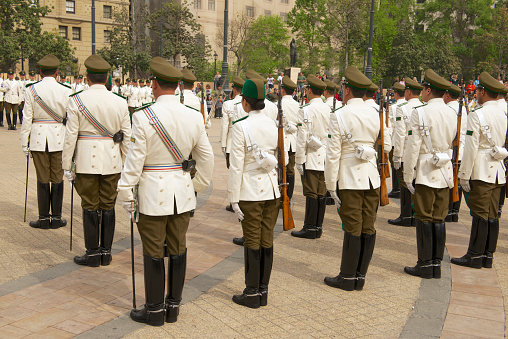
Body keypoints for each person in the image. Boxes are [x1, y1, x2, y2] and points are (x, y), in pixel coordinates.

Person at [117, 57, 214, 325]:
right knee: (179, 247)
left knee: (153, 250)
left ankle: (154, 310)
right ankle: (173, 307)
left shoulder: (143, 116)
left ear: (155, 84)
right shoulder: (193, 116)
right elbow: (206, 159)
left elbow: (134, 161)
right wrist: (196, 186)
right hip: (182, 193)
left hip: (152, 194)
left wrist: (125, 194)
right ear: (178, 86)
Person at [62, 54, 131, 268]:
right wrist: (129, 164)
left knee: (90, 205)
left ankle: (92, 254)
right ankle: (106, 253)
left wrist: (66, 165)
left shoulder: (76, 100)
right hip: (112, 159)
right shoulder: (120, 101)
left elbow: (70, 136)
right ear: (107, 77)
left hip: (86, 160)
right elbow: (127, 136)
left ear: (87, 77)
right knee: (108, 205)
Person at [323, 66, 380, 291]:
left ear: (346, 90)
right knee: (368, 226)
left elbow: (333, 153)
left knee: (352, 226)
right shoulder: (374, 112)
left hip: (350, 177)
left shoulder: (340, 115)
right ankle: (359, 276)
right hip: (370, 176)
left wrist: (330, 184)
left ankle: (346, 277)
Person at [228, 78, 279, 308]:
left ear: (245, 102)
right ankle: (263, 291)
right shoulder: (271, 123)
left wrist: (233, 197)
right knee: (266, 238)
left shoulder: (241, 126)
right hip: (271, 188)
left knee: (252, 240)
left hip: (250, 190)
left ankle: (251, 292)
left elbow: (236, 165)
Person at [403, 69, 456, 279]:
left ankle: (424, 264)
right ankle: (436, 264)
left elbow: (413, 147)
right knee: (439, 217)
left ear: (427, 90)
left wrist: (408, 175)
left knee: (424, 216)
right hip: (444, 169)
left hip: (426, 169)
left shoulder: (420, 112)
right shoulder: (451, 112)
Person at [451, 73, 508, 270]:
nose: (476, 94)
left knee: (480, 214)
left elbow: (471, 147)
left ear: (483, 92)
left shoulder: (478, 114)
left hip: (482, 168)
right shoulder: (503, 112)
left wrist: (464, 174)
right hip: (497, 170)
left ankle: (474, 255)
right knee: (492, 214)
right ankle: (487, 255)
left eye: (477, 91)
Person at [20, 55, 71, 229]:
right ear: (57, 72)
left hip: (38, 137)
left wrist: (24, 142)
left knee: (42, 178)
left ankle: (43, 219)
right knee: (57, 177)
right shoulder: (66, 89)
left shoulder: (31, 89)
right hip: (59, 137)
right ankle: (56, 218)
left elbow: (27, 118)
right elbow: (70, 118)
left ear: (40, 72)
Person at [291, 74, 329, 239]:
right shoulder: (329, 108)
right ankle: (318, 227)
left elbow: (302, 138)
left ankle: (309, 227)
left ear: (309, 90)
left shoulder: (306, 110)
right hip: (326, 155)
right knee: (321, 192)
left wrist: (299, 160)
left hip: (312, 156)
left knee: (312, 193)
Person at [389, 78, 423, 226]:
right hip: (420, 151)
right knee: (416, 181)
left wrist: (397, 154)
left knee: (404, 182)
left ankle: (406, 215)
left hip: (405, 150)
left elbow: (400, 133)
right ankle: (415, 214)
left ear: (408, 92)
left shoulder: (401, 108)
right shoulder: (424, 106)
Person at [443, 84, 467, 222]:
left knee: (449, 181)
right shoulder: (463, 108)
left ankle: (449, 211)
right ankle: (454, 212)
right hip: (461, 150)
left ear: (447, 95)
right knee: (456, 181)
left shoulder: (448, 110)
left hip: (452, 149)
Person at [386, 82, 407, 199]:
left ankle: (396, 188)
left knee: (395, 167)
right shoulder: (409, 105)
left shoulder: (394, 107)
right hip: (407, 142)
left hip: (395, 140)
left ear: (395, 94)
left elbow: (389, 126)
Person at [281, 76, 299, 206]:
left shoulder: (280, 103)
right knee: (290, 169)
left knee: (281, 169)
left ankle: (282, 196)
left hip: (282, 139)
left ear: (282, 90)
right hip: (293, 141)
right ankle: (289, 196)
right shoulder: (297, 105)